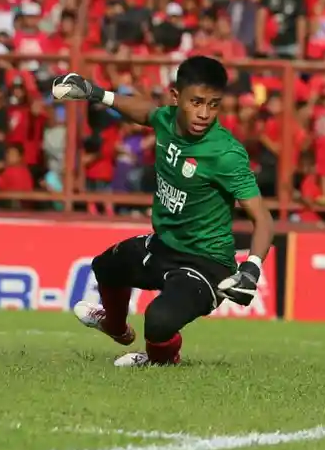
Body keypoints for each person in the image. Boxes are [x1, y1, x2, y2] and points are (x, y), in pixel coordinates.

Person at [53, 56, 274, 367]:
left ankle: (162, 360)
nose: (204, 113)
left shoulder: (226, 153)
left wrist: (250, 269)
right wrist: (96, 93)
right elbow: (145, 113)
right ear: (175, 98)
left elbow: (262, 218)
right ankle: (114, 326)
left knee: (157, 321)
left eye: (213, 105)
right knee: (105, 266)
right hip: (164, 245)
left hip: (207, 263)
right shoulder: (167, 120)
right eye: (196, 102)